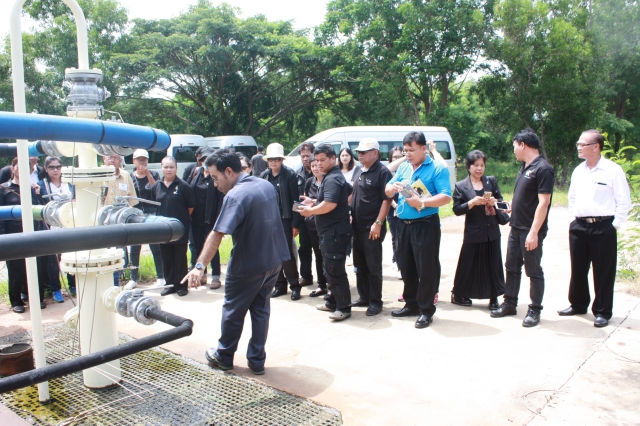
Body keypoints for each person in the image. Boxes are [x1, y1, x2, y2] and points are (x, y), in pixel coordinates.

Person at [182, 149, 290, 375]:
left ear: (229, 171)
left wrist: (199, 267)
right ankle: (257, 360)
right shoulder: (265, 185)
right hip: (273, 260)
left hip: (248, 265)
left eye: (215, 177)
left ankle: (224, 355)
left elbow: (217, 233)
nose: (214, 184)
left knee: (233, 311)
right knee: (261, 310)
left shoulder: (236, 195)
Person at [558, 130, 632, 328]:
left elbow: (624, 201)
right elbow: (572, 197)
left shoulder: (612, 170)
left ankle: (602, 311)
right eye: (578, 144)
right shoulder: (578, 171)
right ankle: (578, 304)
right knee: (578, 268)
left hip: (603, 226)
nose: (579, 147)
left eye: (583, 144)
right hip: (579, 226)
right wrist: (574, 219)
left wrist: (614, 225)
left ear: (596, 147)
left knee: (603, 271)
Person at [385, 131, 451, 329]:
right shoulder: (404, 167)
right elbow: (387, 189)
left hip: (425, 224)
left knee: (426, 268)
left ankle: (426, 310)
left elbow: (446, 196)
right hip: (403, 224)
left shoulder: (437, 168)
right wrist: (392, 188)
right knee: (406, 266)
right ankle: (411, 303)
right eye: (405, 150)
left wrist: (421, 202)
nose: (408, 154)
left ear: (424, 148)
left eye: (412, 150)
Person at [491, 130, 554, 328]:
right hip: (516, 226)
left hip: (530, 230)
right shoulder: (524, 167)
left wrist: (534, 232)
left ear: (522, 144)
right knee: (511, 267)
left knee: (533, 270)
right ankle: (510, 303)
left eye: (514, 147)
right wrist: (512, 205)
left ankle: (535, 309)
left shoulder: (543, 169)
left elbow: (544, 203)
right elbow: (526, 197)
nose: (514, 151)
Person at [299, 144, 353, 321]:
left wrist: (311, 211)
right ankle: (332, 301)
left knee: (335, 270)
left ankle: (343, 307)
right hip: (329, 232)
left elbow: (330, 204)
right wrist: (314, 202)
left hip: (334, 233)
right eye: (317, 160)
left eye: (323, 160)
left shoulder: (332, 178)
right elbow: (341, 195)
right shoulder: (330, 176)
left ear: (333, 158)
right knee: (328, 269)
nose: (319, 164)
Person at [451, 150, 506, 310]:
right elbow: (457, 209)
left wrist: (495, 202)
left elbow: (500, 200)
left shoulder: (491, 181)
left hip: (492, 230)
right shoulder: (461, 186)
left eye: (482, 165)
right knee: (467, 264)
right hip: (473, 231)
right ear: (469, 167)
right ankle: (459, 293)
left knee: (493, 264)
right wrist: (472, 203)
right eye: (476, 165)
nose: (479, 168)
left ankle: (494, 297)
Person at [350, 138, 392, 316]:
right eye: (358, 152)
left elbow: (386, 200)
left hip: (372, 226)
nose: (360, 155)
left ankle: (375, 301)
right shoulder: (359, 169)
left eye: (364, 152)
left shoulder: (382, 172)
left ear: (375, 153)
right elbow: (354, 194)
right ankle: (364, 296)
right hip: (357, 226)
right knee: (360, 265)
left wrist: (378, 223)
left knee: (373, 266)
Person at [0, 159, 47, 313]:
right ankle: (16, 301)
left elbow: (40, 209)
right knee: (15, 269)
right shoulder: (3, 188)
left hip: (32, 234)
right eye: (19, 167)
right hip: (13, 235)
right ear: (12, 168)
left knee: (35, 266)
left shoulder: (31, 188)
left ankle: (37, 298)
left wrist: (38, 194)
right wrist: (3, 237)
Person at [260, 143, 302, 300]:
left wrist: (295, 223)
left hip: (285, 219)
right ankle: (279, 285)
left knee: (286, 254)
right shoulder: (264, 176)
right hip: (268, 220)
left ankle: (295, 286)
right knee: (273, 255)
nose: (273, 162)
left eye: (277, 159)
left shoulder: (290, 175)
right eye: (271, 159)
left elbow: (296, 201)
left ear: (282, 160)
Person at [151, 157, 196, 297]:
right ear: (161, 168)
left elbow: (191, 206)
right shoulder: (156, 186)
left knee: (180, 258)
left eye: (171, 167)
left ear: (176, 168)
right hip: (163, 229)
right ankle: (170, 285)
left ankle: (181, 286)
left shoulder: (183, 186)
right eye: (166, 167)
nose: (168, 169)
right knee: (166, 258)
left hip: (179, 229)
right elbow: (154, 205)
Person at [37, 156, 76, 301]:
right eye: (52, 167)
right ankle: (56, 289)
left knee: (72, 256)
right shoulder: (41, 185)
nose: (55, 170)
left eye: (58, 167)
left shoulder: (69, 183)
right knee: (53, 259)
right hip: (51, 226)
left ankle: (73, 285)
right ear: (46, 169)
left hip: (69, 225)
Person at [127, 149, 164, 290]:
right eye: (139, 159)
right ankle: (133, 278)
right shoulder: (130, 176)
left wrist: (148, 175)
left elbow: (157, 190)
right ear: (134, 161)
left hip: (151, 213)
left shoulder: (154, 174)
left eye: (144, 159)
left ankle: (160, 277)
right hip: (136, 214)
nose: (142, 162)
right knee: (135, 248)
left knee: (156, 246)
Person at [190, 147, 225, 289]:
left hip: (211, 218)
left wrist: (219, 218)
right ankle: (202, 274)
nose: (205, 162)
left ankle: (216, 276)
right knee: (197, 246)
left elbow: (221, 198)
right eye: (203, 159)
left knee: (212, 246)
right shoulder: (196, 173)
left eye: (208, 160)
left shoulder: (216, 176)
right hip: (196, 217)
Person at [102, 154, 138, 285]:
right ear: (103, 159)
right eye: (109, 157)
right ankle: (106, 283)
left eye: (115, 158)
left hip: (120, 223)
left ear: (120, 160)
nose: (112, 160)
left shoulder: (126, 175)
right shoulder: (98, 174)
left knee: (119, 254)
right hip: (102, 223)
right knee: (104, 254)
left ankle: (117, 282)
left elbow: (132, 200)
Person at [303, 155, 328, 297]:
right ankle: (321, 285)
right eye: (312, 166)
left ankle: (332, 284)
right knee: (318, 254)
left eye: (317, 165)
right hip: (312, 224)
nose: (315, 168)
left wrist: (314, 202)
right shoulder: (309, 182)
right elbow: (306, 200)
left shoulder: (329, 180)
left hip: (327, 224)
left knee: (328, 254)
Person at [296, 142, 316, 287]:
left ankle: (325, 279)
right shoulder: (296, 174)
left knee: (320, 250)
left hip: (319, 216)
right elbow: (294, 198)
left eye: (308, 156)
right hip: (303, 217)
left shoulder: (320, 171)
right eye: (303, 156)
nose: (305, 159)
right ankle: (306, 276)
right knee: (304, 248)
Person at [386, 146, 404, 281]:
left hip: (407, 207)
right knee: (396, 237)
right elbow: (386, 192)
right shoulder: (388, 172)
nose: (397, 159)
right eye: (395, 157)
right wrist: (395, 206)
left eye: (400, 156)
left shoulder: (406, 170)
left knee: (404, 237)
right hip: (393, 208)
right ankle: (398, 264)